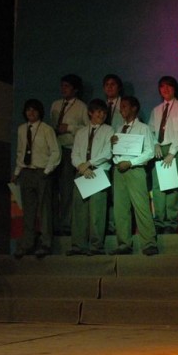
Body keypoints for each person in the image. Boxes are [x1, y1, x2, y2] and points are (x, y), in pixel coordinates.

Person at [11, 99, 61, 258]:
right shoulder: (21, 129)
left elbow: (55, 151)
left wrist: (46, 171)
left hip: (41, 172)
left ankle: (46, 243)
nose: (31, 113)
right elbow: (20, 152)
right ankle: (27, 243)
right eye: (28, 110)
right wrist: (17, 172)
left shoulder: (46, 129)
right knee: (28, 210)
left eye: (34, 110)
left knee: (44, 210)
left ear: (40, 112)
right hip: (26, 172)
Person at [110, 96, 159, 256]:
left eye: (125, 106)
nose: (121, 109)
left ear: (134, 108)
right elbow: (115, 151)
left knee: (141, 206)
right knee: (120, 209)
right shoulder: (119, 128)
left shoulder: (143, 128)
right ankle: (124, 244)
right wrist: (113, 147)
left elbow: (150, 152)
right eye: (121, 107)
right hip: (119, 170)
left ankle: (149, 243)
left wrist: (130, 163)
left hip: (135, 169)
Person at [68, 99, 114, 256]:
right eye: (98, 112)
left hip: (98, 172)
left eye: (104, 112)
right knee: (79, 210)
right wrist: (81, 166)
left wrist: (89, 163)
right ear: (90, 112)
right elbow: (74, 154)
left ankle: (96, 246)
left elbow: (107, 153)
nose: (101, 115)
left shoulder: (108, 130)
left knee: (97, 212)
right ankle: (78, 245)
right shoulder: (81, 132)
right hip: (82, 172)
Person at [148, 75, 178, 234]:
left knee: (172, 187)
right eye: (162, 86)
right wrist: (155, 144)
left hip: (175, 150)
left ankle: (171, 224)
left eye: (169, 86)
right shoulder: (156, 110)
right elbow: (150, 130)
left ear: (174, 88)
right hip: (159, 150)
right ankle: (159, 221)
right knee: (158, 187)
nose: (165, 89)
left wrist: (172, 153)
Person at [49, 73, 89, 235]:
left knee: (67, 189)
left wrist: (70, 128)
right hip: (55, 150)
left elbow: (89, 129)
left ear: (75, 89)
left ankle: (67, 224)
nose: (63, 89)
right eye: (62, 86)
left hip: (70, 150)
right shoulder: (56, 105)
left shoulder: (81, 107)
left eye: (67, 86)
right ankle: (55, 224)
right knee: (54, 189)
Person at [102, 74, 125, 235]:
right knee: (104, 191)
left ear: (119, 87)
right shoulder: (101, 107)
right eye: (107, 85)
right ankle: (107, 225)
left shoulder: (124, 104)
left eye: (113, 84)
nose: (110, 87)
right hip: (102, 154)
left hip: (119, 153)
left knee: (118, 193)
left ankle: (118, 225)